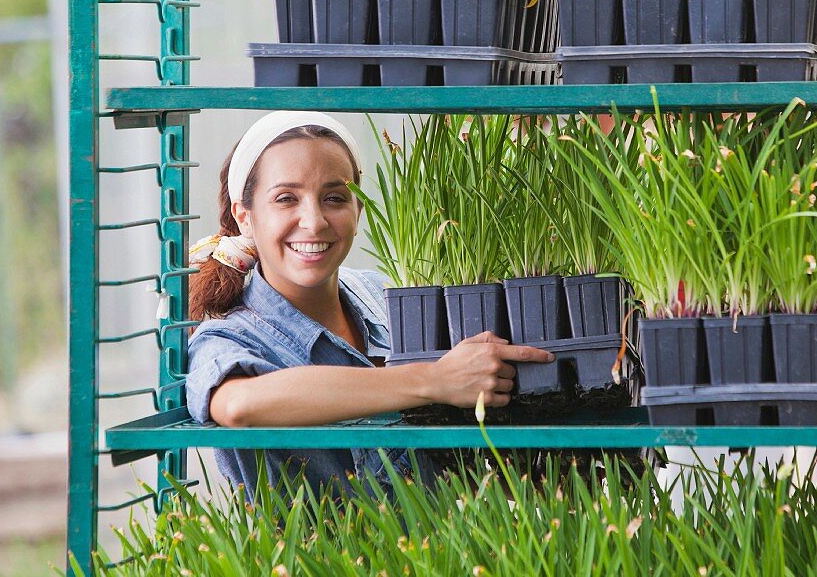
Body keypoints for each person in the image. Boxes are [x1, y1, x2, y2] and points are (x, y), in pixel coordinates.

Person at [185, 111, 555, 497]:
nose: (313, 221)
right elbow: (238, 406)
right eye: (286, 199)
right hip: (316, 556)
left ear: (358, 211)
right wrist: (434, 381)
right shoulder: (229, 334)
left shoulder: (384, 293)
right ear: (244, 216)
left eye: (334, 198)